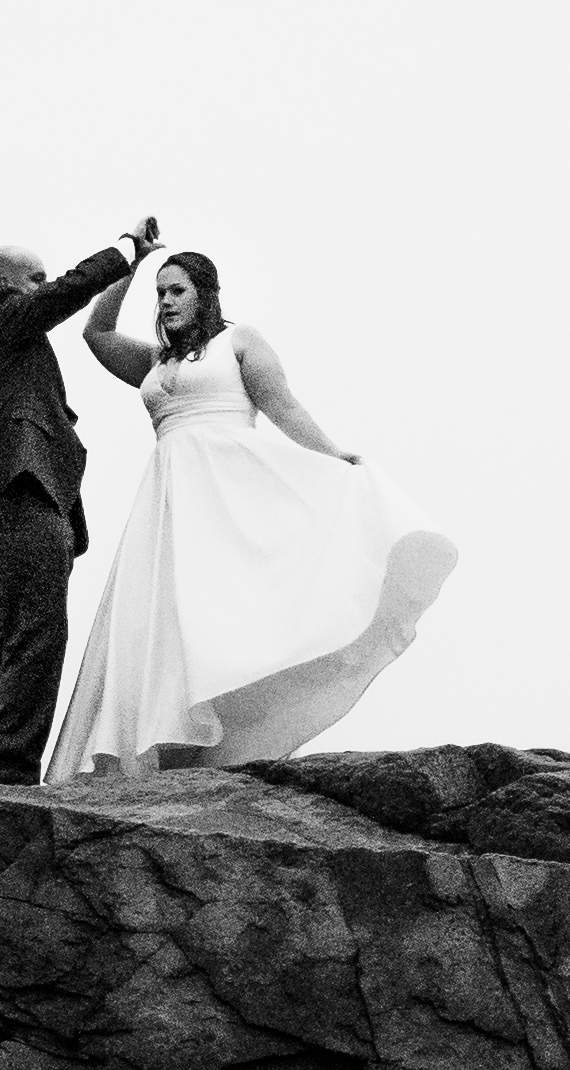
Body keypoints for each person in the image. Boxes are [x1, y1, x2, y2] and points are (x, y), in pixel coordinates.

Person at [44, 246, 457, 780]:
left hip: (229, 493)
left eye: (178, 291)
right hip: (168, 502)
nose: (166, 301)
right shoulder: (154, 362)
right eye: (160, 293)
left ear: (205, 295)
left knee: (225, 610)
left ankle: (228, 725)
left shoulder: (239, 342)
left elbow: (282, 405)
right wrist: (133, 261)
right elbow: (95, 333)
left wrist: (333, 456)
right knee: (165, 614)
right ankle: (166, 745)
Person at [0, 217, 154, 784]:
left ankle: (11, 776)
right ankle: (11, 781)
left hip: (23, 500)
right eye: (34, 278)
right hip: (13, 492)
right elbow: (66, 291)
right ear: (5, 285)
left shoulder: (11, 343)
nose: (46, 286)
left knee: (32, 639)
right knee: (36, 639)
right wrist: (125, 249)